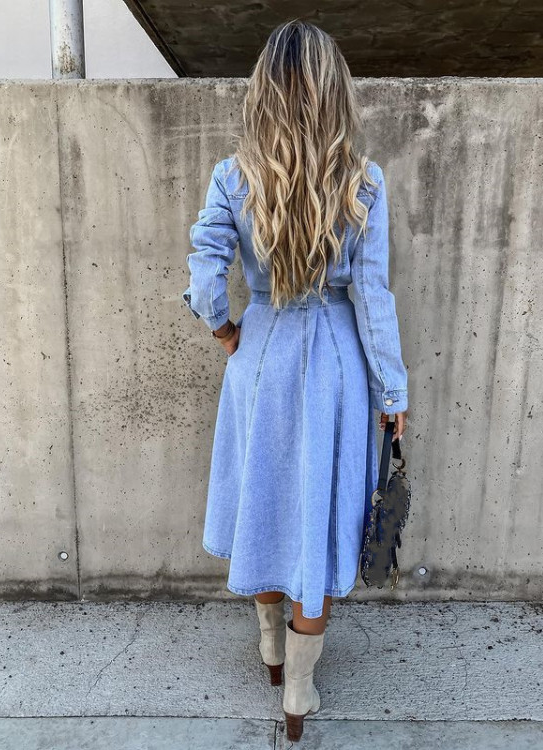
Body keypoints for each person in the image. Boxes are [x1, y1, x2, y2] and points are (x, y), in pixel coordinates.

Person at [181, 19, 409, 743]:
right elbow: (371, 296)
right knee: (318, 516)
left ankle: (272, 650)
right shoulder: (363, 182)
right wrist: (393, 391)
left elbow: (204, 278)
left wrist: (225, 331)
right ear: (335, 89)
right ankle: (300, 694)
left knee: (268, 502)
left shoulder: (232, 177)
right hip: (337, 367)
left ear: (263, 92)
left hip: (261, 357)